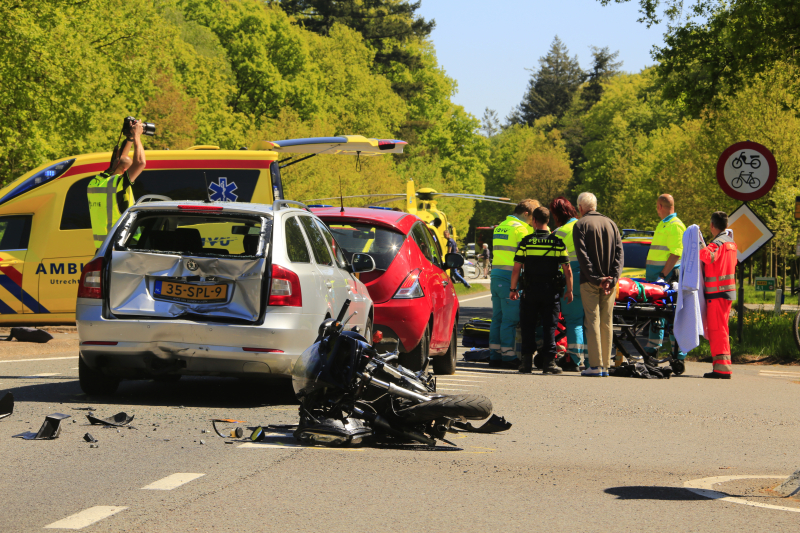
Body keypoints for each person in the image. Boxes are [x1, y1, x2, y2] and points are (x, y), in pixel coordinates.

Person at [509, 207, 572, 374]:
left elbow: (516, 269)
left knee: (528, 325)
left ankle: (526, 363)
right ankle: (549, 363)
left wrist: (513, 289)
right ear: (548, 221)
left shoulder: (526, 241)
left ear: (534, 221)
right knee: (549, 326)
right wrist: (569, 290)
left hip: (530, 290)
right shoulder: (557, 242)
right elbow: (567, 269)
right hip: (551, 291)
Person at [573, 192, 623, 377]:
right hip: (610, 282)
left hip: (589, 281)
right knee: (607, 322)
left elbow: (582, 256)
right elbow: (619, 254)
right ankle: (605, 367)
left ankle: (595, 365)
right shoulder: (611, 224)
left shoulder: (580, 225)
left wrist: (596, 279)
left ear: (580, 207)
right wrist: (612, 279)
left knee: (592, 321)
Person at [489, 199, 538, 368]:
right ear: (526, 214)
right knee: (509, 319)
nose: (533, 221)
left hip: (495, 274)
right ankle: (508, 356)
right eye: (532, 217)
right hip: (511, 276)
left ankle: (494, 354)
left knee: (497, 317)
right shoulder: (521, 229)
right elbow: (526, 258)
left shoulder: (501, 226)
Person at [88, 120, 146, 249]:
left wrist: (129, 138)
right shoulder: (118, 184)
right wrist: (137, 136)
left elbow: (119, 160)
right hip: (123, 244)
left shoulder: (96, 182)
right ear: (125, 171)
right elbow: (141, 163)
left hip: (102, 248)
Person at [645, 194, 686, 360]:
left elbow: (676, 253)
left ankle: (678, 352)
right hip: (658, 276)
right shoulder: (664, 224)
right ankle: (653, 347)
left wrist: (662, 274)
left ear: (660, 206)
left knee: (671, 313)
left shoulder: (675, 225)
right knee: (657, 312)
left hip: (666, 276)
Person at [699, 211, 737, 379]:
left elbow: (706, 256)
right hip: (726, 293)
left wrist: (698, 243)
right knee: (722, 329)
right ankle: (723, 366)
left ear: (712, 225)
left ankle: (722, 369)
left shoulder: (718, 243)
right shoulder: (731, 243)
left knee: (717, 330)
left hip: (717, 294)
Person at [551, 197, 585, 372]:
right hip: (591, 278)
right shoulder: (585, 226)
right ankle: (588, 357)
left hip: (571, 277)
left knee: (573, 320)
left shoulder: (560, 232)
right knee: (590, 321)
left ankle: (573, 359)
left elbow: (553, 262)